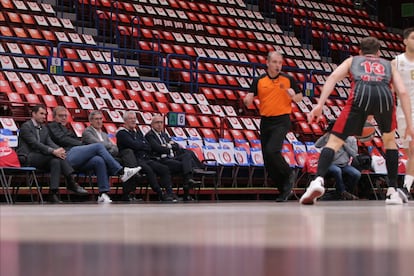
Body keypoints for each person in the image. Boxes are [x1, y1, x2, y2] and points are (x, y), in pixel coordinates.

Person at [302, 36, 414, 205]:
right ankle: (392, 191)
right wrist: (409, 124)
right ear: (378, 53)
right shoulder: (388, 65)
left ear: (360, 51)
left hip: (359, 96)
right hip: (384, 98)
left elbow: (332, 77)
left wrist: (320, 105)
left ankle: (317, 181)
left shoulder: (352, 60)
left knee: (333, 142)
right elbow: (403, 92)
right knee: (390, 141)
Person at [47, 106, 141, 203]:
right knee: (98, 146)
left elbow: (115, 148)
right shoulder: (53, 126)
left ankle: (103, 194)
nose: (63, 118)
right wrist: (81, 144)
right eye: (60, 116)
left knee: (98, 161)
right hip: (65, 156)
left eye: (65, 116)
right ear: (54, 117)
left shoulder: (67, 129)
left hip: (77, 156)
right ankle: (121, 172)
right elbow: (62, 139)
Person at [243, 51, 303, 202]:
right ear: (267, 63)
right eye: (275, 62)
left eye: (280, 63)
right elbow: (249, 99)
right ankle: (283, 190)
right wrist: (247, 99)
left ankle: (289, 173)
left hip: (282, 120)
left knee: (272, 150)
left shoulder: (288, 79)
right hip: (266, 121)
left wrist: (293, 96)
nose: (277, 65)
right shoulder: (259, 80)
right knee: (268, 160)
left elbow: (300, 97)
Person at [16, 104, 88, 203]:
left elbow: (50, 142)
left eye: (45, 114)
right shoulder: (26, 126)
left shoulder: (44, 128)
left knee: (56, 161)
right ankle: (71, 181)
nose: (44, 116)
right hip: (28, 156)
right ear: (33, 114)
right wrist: (53, 151)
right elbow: (35, 144)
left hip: (41, 157)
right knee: (54, 157)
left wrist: (59, 150)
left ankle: (53, 193)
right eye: (41, 114)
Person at [116, 111, 178, 202]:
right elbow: (134, 145)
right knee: (149, 170)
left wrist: (139, 145)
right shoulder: (122, 133)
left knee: (163, 168)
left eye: (134, 118)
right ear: (125, 121)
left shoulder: (138, 133)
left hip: (145, 158)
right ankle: (160, 194)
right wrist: (140, 145)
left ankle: (169, 193)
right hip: (132, 160)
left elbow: (148, 147)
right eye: (130, 119)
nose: (133, 120)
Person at [145, 114, 204, 201]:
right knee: (185, 166)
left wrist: (166, 146)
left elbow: (176, 146)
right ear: (152, 124)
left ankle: (189, 180)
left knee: (187, 154)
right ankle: (187, 187)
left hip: (171, 158)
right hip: (161, 160)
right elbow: (157, 148)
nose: (159, 124)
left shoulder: (164, 134)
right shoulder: (149, 135)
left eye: (161, 122)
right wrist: (169, 146)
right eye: (157, 122)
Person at [392, 27, 414, 201]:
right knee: (409, 153)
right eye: (413, 38)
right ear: (405, 41)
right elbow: (390, 88)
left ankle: (405, 188)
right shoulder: (396, 62)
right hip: (402, 111)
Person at [315, 120, 360, 200]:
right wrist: (326, 135)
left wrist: (344, 144)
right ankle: (342, 192)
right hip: (330, 164)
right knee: (337, 171)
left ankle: (347, 192)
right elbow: (317, 145)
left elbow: (354, 154)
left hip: (344, 165)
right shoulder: (330, 137)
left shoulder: (351, 139)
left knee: (356, 174)